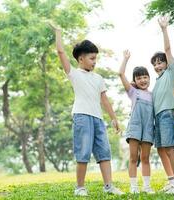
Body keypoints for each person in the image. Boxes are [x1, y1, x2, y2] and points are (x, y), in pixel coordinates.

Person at [50, 22, 124, 197]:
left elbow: (104, 100)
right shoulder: (73, 74)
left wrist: (113, 118)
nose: (94, 62)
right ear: (80, 59)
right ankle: (80, 187)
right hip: (82, 116)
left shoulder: (98, 78)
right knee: (83, 152)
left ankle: (109, 186)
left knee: (104, 152)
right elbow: (60, 52)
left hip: (98, 119)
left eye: (95, 58)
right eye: (91, 58)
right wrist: (58, 32)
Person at [151, 16, 174, 194]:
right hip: (158, 117)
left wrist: (164, 29)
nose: (158, 65)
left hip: (167, 114)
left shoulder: (170, 72)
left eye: (160, 62)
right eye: (155, 64)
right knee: (162, 150)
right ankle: (172, 180)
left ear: (167, 63)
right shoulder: (157, 82)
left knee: (170, 149)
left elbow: (167, 48)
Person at [118, 50, 155, 194]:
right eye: (139, 78)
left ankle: (147, 186)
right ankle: (134, 187)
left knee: (145, 158)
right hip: (134, 127)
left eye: (145, 77)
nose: (143, 80)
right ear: (135, 80)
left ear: (149, 78)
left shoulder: (153, 95)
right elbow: (121, 74)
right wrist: (126, 59)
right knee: (133, 157)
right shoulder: (133, 92)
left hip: (148, 128)